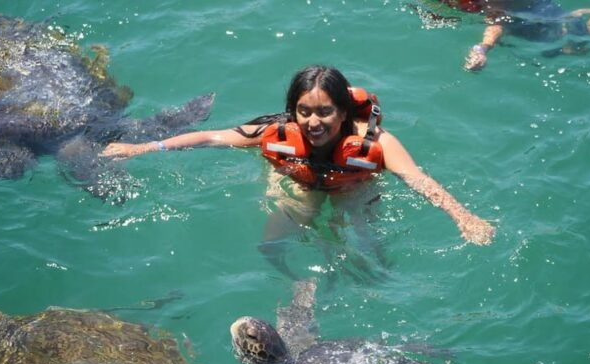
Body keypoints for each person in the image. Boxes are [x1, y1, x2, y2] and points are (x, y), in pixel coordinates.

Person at [101, 65, 495, 277]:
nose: (313, 122)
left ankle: (372, 278)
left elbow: (418, 180)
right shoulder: (275, 132)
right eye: (304, 111)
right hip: (298, 182)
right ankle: (300, 286)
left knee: (367, 249)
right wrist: (142, 148)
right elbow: (211, 137)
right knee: (271, 245)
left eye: (325, 112)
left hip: (352, 187)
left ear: (342, 111)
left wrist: (464, 217)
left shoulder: (377, 143)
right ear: (293, 110)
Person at [429, 1, 590, 71]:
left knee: (570, 42)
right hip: (534, 10)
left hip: (531, 19)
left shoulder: (491, 4)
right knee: (573, 31)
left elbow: (496, 23)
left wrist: (482, 48)